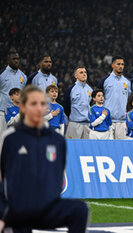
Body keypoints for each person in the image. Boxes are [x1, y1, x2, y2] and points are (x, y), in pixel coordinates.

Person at [0, 85, 88, 232]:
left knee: (79, 210)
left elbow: (57, 174)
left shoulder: (57, 140)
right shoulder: (11, 137)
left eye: (42, 104)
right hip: (18, 208)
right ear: (23, 107)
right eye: (33, 104)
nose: (39, 108)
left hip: (47, 206)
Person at [98, 55, 131, 139]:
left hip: (122, 122)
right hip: (108, 121)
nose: (121, 66)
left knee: (121, 149)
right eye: (118, 64)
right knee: (107, 149)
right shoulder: (104, 81)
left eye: (122, 64)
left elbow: (129, 100)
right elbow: (97, 100)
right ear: (112, 65)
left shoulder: (127, 82)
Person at [0, 51, 27, 136]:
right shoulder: (2, 75)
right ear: (8, 60)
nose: (16, 61)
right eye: (13, 59)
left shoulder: (23, 76)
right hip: (3, 113)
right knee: (2, 140)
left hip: (19, 114)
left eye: (17, 59)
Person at [63, 66, 93, 139]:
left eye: (85, 72)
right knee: (73, 148)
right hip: (75, 124)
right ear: (76, 76)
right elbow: (66, 106)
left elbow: (90, 105)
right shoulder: (71, 89)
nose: (84, 74)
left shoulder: (90, 89)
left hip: (87, 124)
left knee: (86, 149)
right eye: (81, 72)